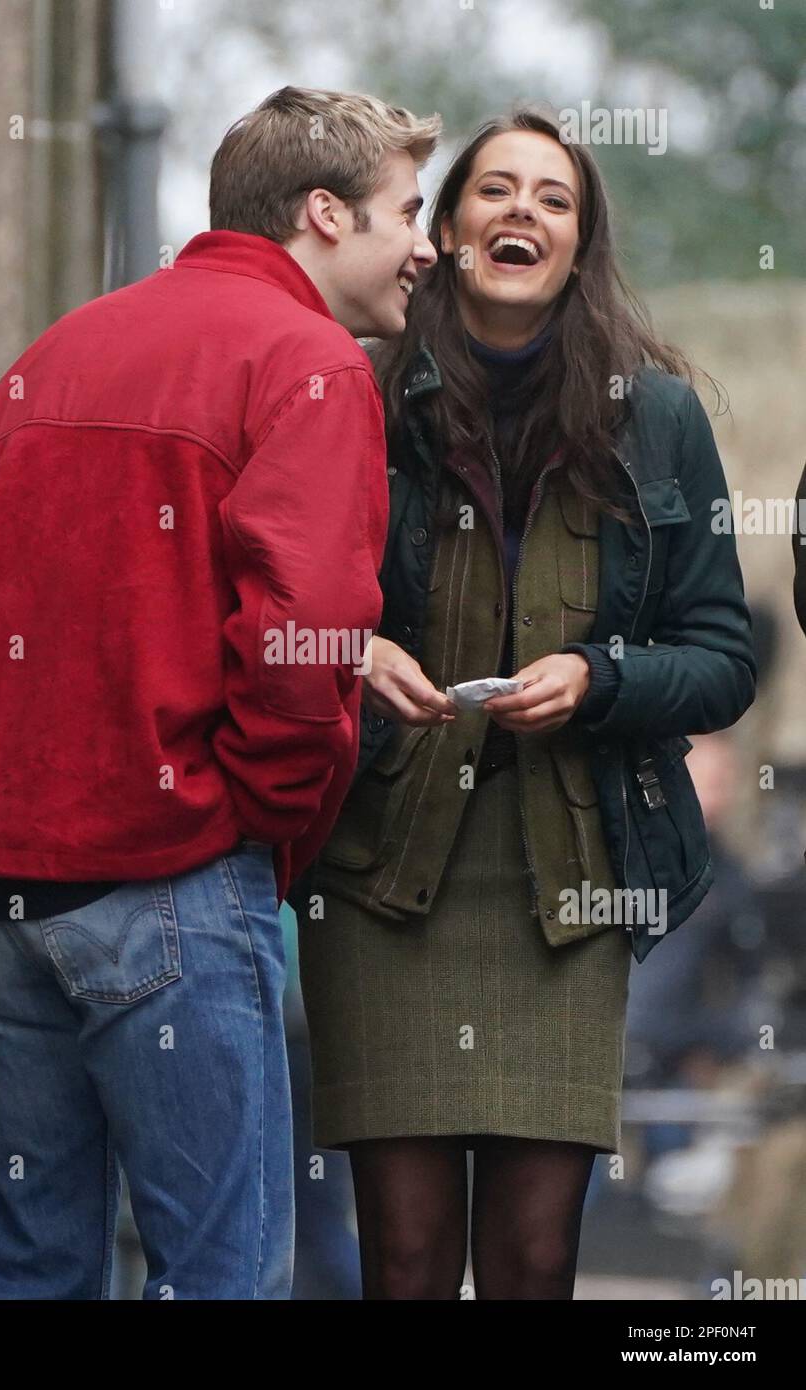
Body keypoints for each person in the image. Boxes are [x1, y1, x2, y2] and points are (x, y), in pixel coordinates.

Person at [0, 85, 440, 1300]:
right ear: (323, 214)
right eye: (409, 210)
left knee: (33, 1264)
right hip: (172, 871)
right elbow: (304, 634)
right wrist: (258, 819)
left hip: (2, 888)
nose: (429, 243)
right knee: (221, 1270)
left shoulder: (69, 341)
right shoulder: (307, 361)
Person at [293, 108, 756, 1300]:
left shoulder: (654, 417)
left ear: (581, 242)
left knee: (536, 1257)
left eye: (554, 200)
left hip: (576, 874)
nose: (522, 214)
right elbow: (277, 602)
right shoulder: (360, 389)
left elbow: (719, 657)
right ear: (444, 230)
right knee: (401, 1259)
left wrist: (603, 678)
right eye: (494, 191)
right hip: (383, 873)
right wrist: (355, 650)